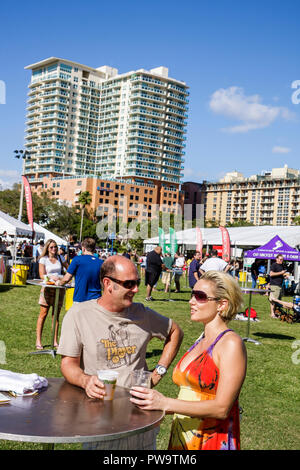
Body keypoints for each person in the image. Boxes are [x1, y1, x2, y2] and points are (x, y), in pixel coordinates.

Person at [57, 255, 183, 450]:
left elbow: (175, 332)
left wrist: (159, 371)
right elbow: (68, 364)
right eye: (129, 284)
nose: (136, 289)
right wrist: (85, 380)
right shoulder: (78, 315)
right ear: (108, 283)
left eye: (137, 283)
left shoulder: (143, 314)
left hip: (140, 420)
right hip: (99, 421)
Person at [130, 270, 247, 450]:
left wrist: (165, 402)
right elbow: (190, 398)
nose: (191, 301)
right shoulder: (202, 339)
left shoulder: (230, 343)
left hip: (210, 439)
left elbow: (222, 408)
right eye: (192, 294)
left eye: (200, 296)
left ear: (222, 304)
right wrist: (153, 406)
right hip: (184, 435)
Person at [36, 239, 69, 350]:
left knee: (56, 316)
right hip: (47, 288)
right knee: (43, 314)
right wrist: (51, 277)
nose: (54, 249)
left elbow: (69, 269)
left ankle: (55, 341)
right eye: (51, 247)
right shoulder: (43, 259)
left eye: (55, 247)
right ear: (47, 248)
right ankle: (38, 341)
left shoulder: (60, 258)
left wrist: (63, 277)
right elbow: (41, 275)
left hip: (59, 288)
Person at [56, 238, 104, 302]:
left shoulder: (77, 260)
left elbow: (67, 278)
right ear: (94, 248)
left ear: (83, 248)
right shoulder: (101, 262)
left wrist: (59, 282)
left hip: (81, 298)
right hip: (97, 299)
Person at [269, 254, 289, 318]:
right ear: (276, 259)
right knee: (274, 300)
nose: (281, 261)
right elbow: (271, 274)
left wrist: (285, 276)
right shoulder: (274, 265)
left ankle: (276, 313)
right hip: (274, 284)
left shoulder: (282, 265)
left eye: (282, 259)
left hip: (280, 284)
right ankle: (272, 314)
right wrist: (281, 273)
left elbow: (281, 274)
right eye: (280, 259)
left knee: (278, 300)